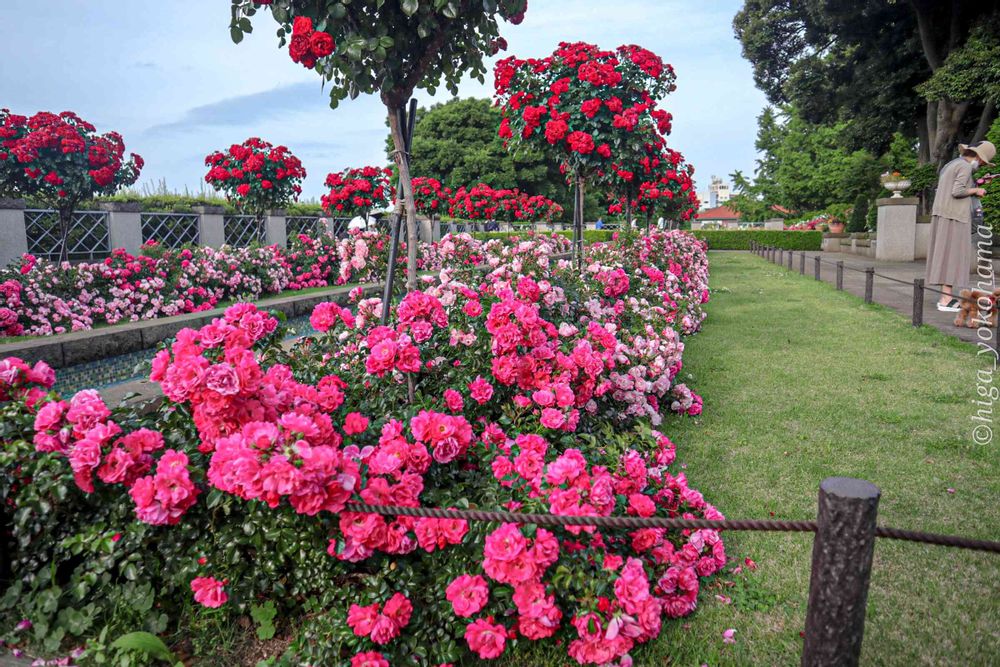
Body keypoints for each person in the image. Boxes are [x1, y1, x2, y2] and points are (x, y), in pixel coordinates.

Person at [926, 140, 995, 312]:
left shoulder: (953, 164)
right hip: (954, 217)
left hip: (944, 214)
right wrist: (976, 191)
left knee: (945, 256)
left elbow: (955, 186)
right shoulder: (965, 167)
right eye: (982, 162)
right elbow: (957, 192)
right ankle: (946, 299)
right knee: (952, 257)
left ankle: (946, 297)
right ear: (978, 157)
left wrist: (976, 184)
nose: (980, 165)